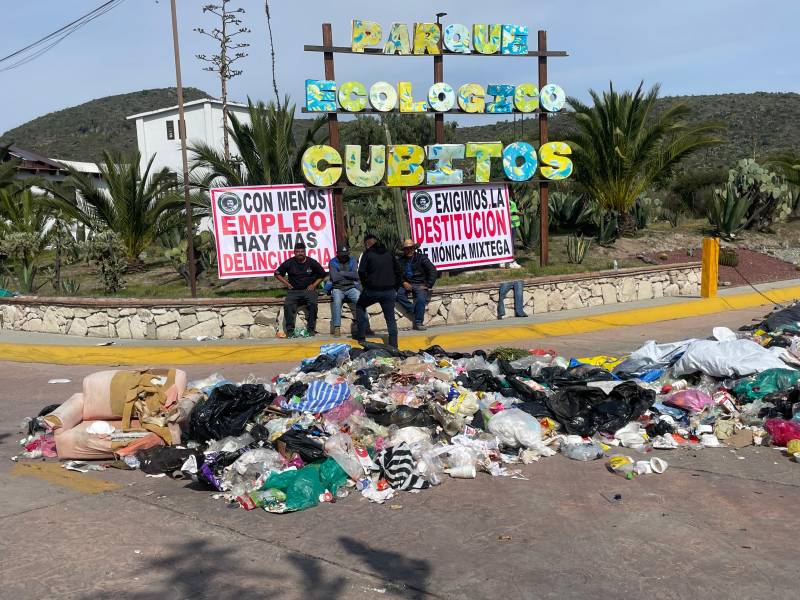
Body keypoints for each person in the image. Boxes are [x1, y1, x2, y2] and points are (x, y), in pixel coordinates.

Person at [355, 234, 402, 347]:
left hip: (372, 290)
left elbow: (361, 272)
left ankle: (361, 337)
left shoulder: (367, 254)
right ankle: (394, 345)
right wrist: (395, 288)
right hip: (389, 291)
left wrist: (365, 285)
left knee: (360, 306)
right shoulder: (389, 253)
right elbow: (399, 271)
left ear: (367, 244)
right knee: (390, 318)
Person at [274, 241, 325, 337]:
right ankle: (290, 331)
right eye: (297, 251)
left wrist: (314, 285)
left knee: (313, 304)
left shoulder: (312, 262)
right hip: (294, 291)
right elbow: (277, 273)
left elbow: (322, 274)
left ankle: (311, 330)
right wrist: (287, 284)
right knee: (288, 305)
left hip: (308, 290)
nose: (300, 253)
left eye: (302, 251)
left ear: (305, 252)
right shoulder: (289, 262)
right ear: (294, 252)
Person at [396, 239, 437, 331]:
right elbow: (397, 274)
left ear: (414, 248)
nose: (409, 250)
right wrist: (403, 282)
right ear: (404, 249)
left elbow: (433, 270)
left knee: (421, 299)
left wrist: (428, 284)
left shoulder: (421, 258)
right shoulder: (400, 260)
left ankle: (418, 322)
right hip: (406, 283)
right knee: (399, 295)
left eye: (411, 248)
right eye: (406, 248)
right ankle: (414, 310)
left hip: (419, 283)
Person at [327, 245, 360, 337]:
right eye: (342, 255)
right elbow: (334, 277)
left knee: (360, 299)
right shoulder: (333, 262)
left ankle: (365, 326)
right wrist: (349, 274)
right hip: (338, 288)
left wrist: (342, 273)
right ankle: (337, 328)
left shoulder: (352, 260)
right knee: (337, 301)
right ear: (338, 254)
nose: (344, 257)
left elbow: (356, 275)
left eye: (345, 254)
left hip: (351, 287)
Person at [504, 197, 523, 269]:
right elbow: (505, 211)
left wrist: (518, 210)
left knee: (510, 243)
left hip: (512, 225)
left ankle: (505, 261)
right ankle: (511, 261)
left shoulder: (510, 199)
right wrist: (516, 213)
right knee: (511, 243)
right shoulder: (506, 200)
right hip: (510, 225)